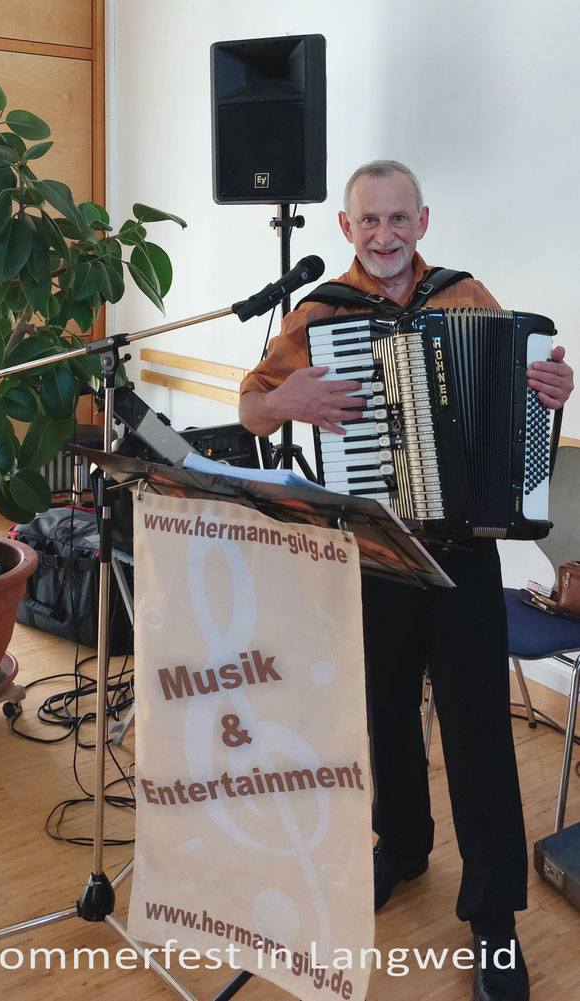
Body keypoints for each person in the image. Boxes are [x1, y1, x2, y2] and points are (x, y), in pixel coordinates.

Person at [238, 160, 574, 1001]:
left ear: (422, 222)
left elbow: (526, 400)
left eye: (399, 219)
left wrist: (551, 392)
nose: (384, 236)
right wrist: (291, 404)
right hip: (375, 547)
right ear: (346, 230)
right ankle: (404, 843)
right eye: (368, 222)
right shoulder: (320, 314)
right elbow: (251, 402)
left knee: (479, 737)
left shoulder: (466, 296)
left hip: (465, 549)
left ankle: (494, 920)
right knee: (383, 709)